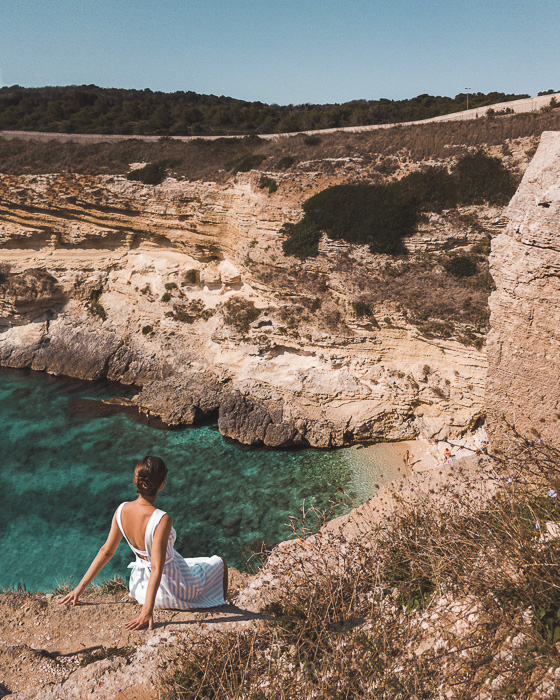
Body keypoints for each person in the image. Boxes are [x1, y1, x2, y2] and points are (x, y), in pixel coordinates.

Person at [59, 456, 228, 630]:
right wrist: (147, 612)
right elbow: (157, 568)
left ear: (136, 480)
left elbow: (106, 551)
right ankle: (224, 606)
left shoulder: (121, 510)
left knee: (194, 562)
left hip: (139, 586)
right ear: (162, 484)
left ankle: (219, 602)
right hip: (172, 590)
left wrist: (79, 588)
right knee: (218, 562)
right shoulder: (162, 519)